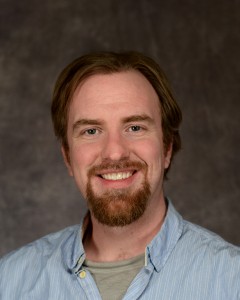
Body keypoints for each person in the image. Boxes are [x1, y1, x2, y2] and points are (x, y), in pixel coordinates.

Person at [0, 51, 239, 300]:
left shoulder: (232, 281)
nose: (114, 152)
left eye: (135, 127)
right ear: (68, 157)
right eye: (91, 131)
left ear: (167, 147)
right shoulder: (9, 283)